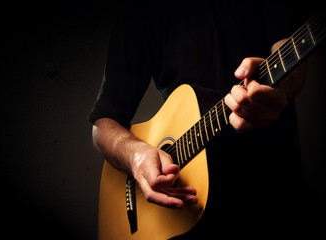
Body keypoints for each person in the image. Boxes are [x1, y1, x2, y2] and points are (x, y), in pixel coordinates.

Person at [90, 1, 314, 237]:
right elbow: (103, 123)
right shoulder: (139, 14)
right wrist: (135, 156)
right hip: (188, 216)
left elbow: (290, 50)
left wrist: (280, 88)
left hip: (275, 193)